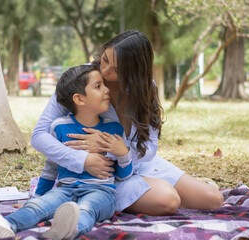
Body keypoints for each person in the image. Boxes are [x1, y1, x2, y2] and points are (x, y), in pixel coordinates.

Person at [31, 30, 224, 216]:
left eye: (117, 70)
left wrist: (112, 148)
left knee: (214, 199)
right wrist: (83, 160)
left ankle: (148, 187)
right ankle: (87, 198)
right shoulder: (80, 79)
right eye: (105, 59)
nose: (105, 71)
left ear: (134, 71)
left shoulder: (146, 88)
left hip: (136, 163)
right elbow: (39, 135)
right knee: (168, 200)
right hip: (98, 174)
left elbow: (150, 147)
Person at [0, 63, 133, 240]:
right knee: (37, 207)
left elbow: (122, 175)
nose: (107, 90)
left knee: (86, 209)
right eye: (98, 86)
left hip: (102, 192)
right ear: (79, 99)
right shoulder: (59, 127)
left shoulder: (114, 129)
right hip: (65, 190)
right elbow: (51, 166)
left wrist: (123, 154)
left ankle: (69, 230)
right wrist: (36, 199)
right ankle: (3, 225)